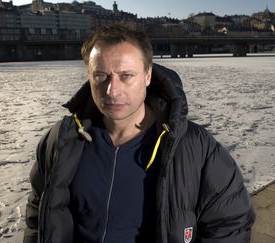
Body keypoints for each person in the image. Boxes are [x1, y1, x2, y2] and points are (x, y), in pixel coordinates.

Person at [24, 24, 254, 243]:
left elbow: (228, 226)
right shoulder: (62, 140)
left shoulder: (196, 148)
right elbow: (39, 218)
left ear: (147, 76)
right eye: (101, 76)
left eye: (126, 76)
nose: (112, 91)